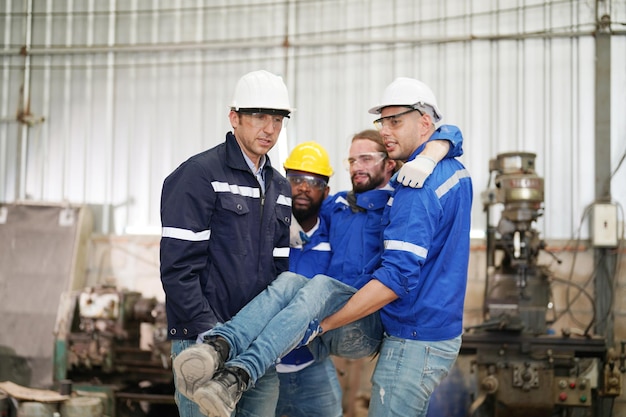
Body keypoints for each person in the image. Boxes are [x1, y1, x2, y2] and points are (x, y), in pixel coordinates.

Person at [172, 115, 464, 417]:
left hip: (361, 320)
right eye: (352, 160)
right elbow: (304, 199)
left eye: (366, 158)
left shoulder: (401, 201)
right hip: (318, 324)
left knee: (321, 284)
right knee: (288, 282)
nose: (357, 166)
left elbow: (451, 131)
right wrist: (285, 217)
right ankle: (218, 350)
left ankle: (240, 373)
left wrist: (433, 152)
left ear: (390, 163)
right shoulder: (337, 206)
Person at [319, 77, 473, 416]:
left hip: (414, 337)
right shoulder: (453, 169)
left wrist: (326, 323)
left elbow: (397, 278)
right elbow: (453, 135)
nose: (386, 131)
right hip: (436, 328)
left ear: (424, 123)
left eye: (395, 121)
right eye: (382, 121)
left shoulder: (416, 186)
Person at [159, 69, 294, 417]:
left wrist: (265, 336)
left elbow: (280, 272)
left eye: (277, 119)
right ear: (235, 117)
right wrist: (213, 336)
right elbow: (177, 268)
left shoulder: (280, 187)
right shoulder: (200, 174)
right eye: (260, 117)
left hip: (255, 347)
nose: (270, 129)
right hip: (203, 341)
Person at [278, 141, 343, 417]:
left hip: (314, 365)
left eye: (313, 182)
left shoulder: (334, 236)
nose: (303, 187)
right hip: (265, 370)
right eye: (296, 179)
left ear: (326, 192)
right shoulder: (265, 233)